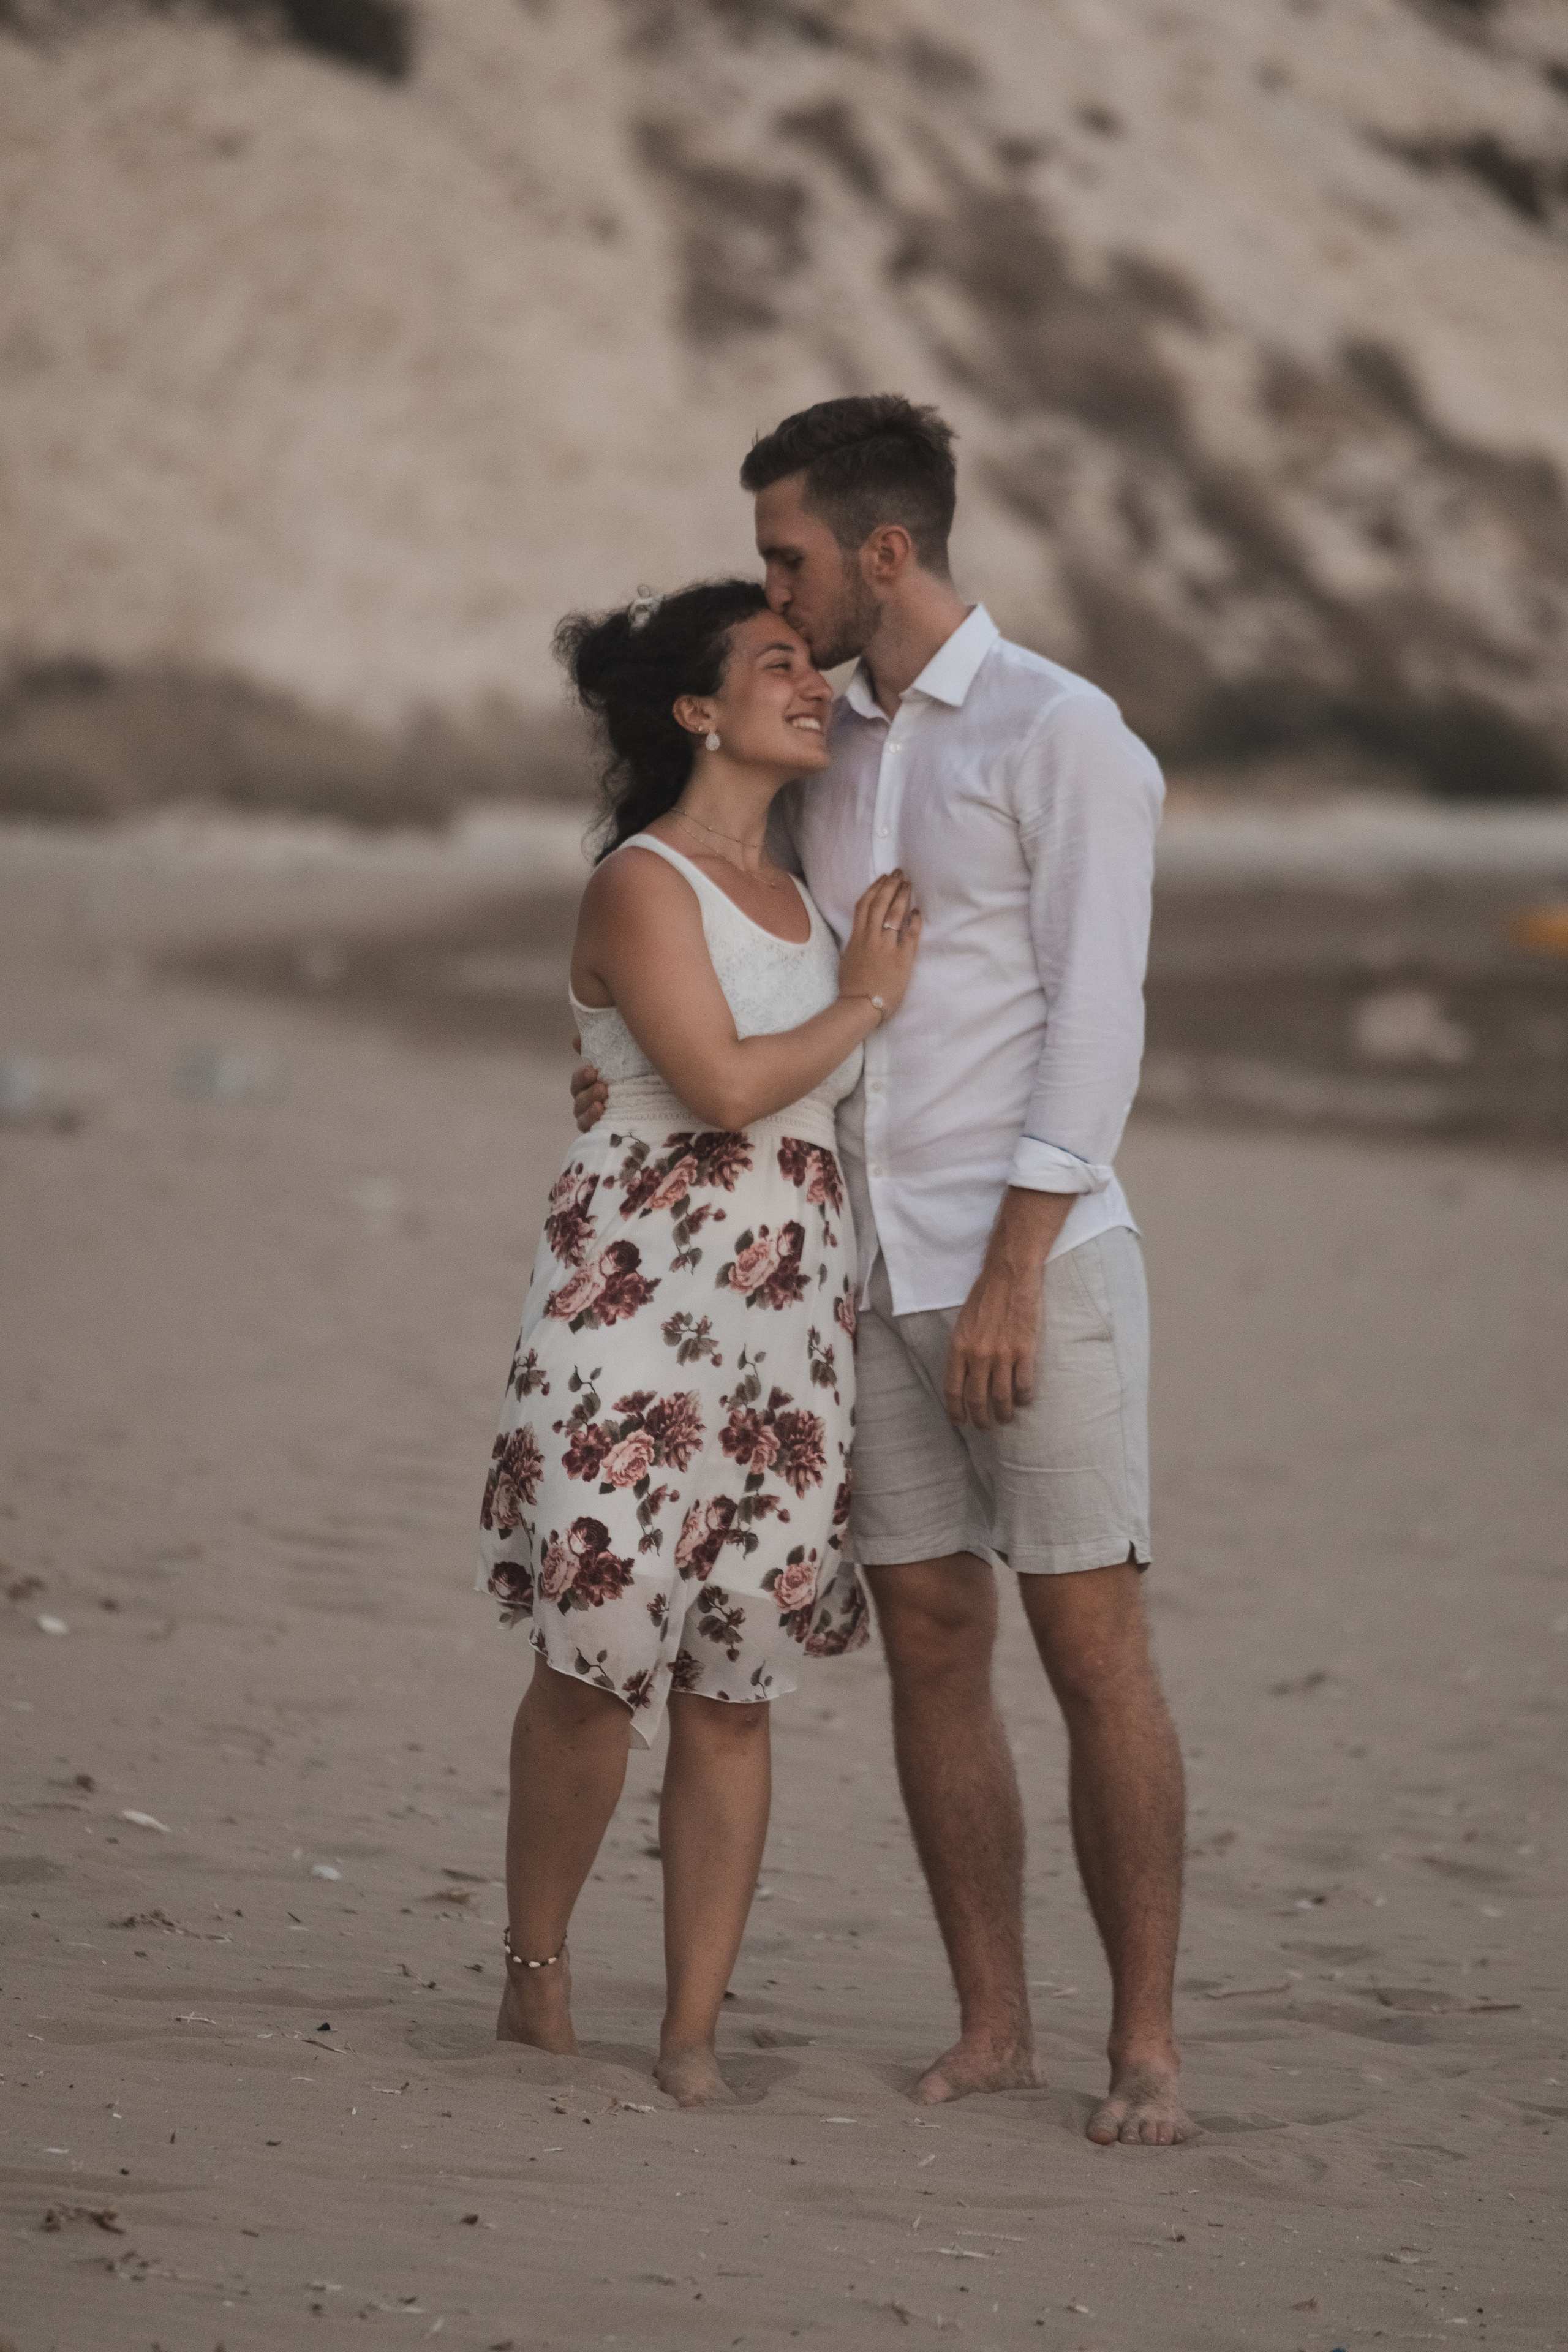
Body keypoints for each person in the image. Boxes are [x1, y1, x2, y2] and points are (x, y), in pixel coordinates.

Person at [572, 398, 1192, 2146]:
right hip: (854, 1277)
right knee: (931, 1638)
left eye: (790, 556)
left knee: (1093, 1645)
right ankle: (992, 2025)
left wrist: (1013, 1265)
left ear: (886, 552)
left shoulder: (1064, 734)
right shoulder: (822, 739)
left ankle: (1143, 2045)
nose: (774, 588)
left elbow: (1100, 1018)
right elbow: (741, 929)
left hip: (1035, 1268)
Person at [477, 577, 921, 2108]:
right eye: (780, 667)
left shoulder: (809, 883)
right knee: (596, 1658)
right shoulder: (640, 886)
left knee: (734, 1681)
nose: (812, 688)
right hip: (627, 1320)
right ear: (693, 710)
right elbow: (725, 1089)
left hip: (785, 1330)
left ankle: (690, 2031)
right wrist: (864, 1003)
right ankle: (538, 1977)